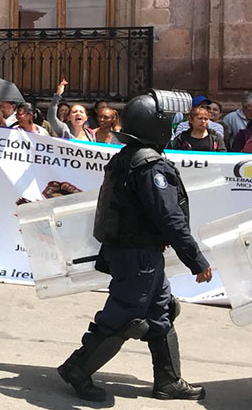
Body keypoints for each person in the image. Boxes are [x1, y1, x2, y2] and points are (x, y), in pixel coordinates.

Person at [58, 89, 213, 402]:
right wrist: (197, 261)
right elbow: (170, 219)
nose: (171, 126)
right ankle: (77, 368)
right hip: (137, 255)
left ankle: (168, 381)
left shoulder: (129, 157)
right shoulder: (150, 167)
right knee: (124, 317)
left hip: (138, 252)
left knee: (162, 312)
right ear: (152, 126)